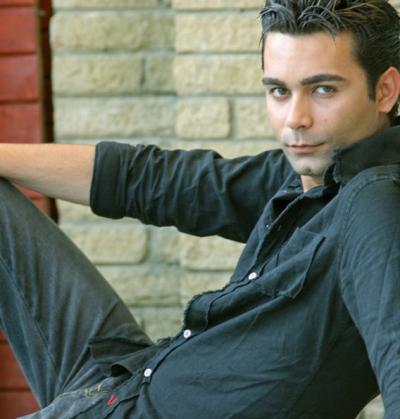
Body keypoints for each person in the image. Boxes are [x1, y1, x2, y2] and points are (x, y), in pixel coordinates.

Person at [0, 0, 399, 417]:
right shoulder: (309, 172)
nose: (295, 119)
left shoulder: (376, 206)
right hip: (124, 377)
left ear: (386, 90)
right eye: (279, 91)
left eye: (323, 90)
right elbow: (149, 180)